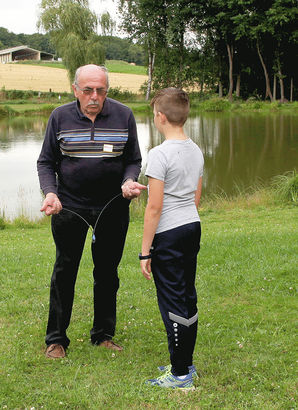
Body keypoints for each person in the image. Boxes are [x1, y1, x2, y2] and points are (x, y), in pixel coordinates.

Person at [37, 64, 146, 359]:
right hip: (68, 205)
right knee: (64, 270)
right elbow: (46, 162)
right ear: (75, 90)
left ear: (107, 90)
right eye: (88, 90)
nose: (94, 96)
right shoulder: (60, 117)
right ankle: (56, 339)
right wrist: (50, 193)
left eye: (100, 90)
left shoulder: (124, 115)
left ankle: (103, 335)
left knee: (108, 273)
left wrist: (129, 180)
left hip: (112, 205)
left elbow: (133, 159)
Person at [139, 88, 204, 389]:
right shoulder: (196, 149)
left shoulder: (159, 154)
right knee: (186, 295)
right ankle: (184, 363)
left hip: (169, 232)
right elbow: (196, 197)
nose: (154, 119)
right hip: (192, 225)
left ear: (161, 117)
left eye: (154, 115)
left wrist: (145, 251)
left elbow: (154, 207)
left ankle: (180, 375)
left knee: (173, 300)